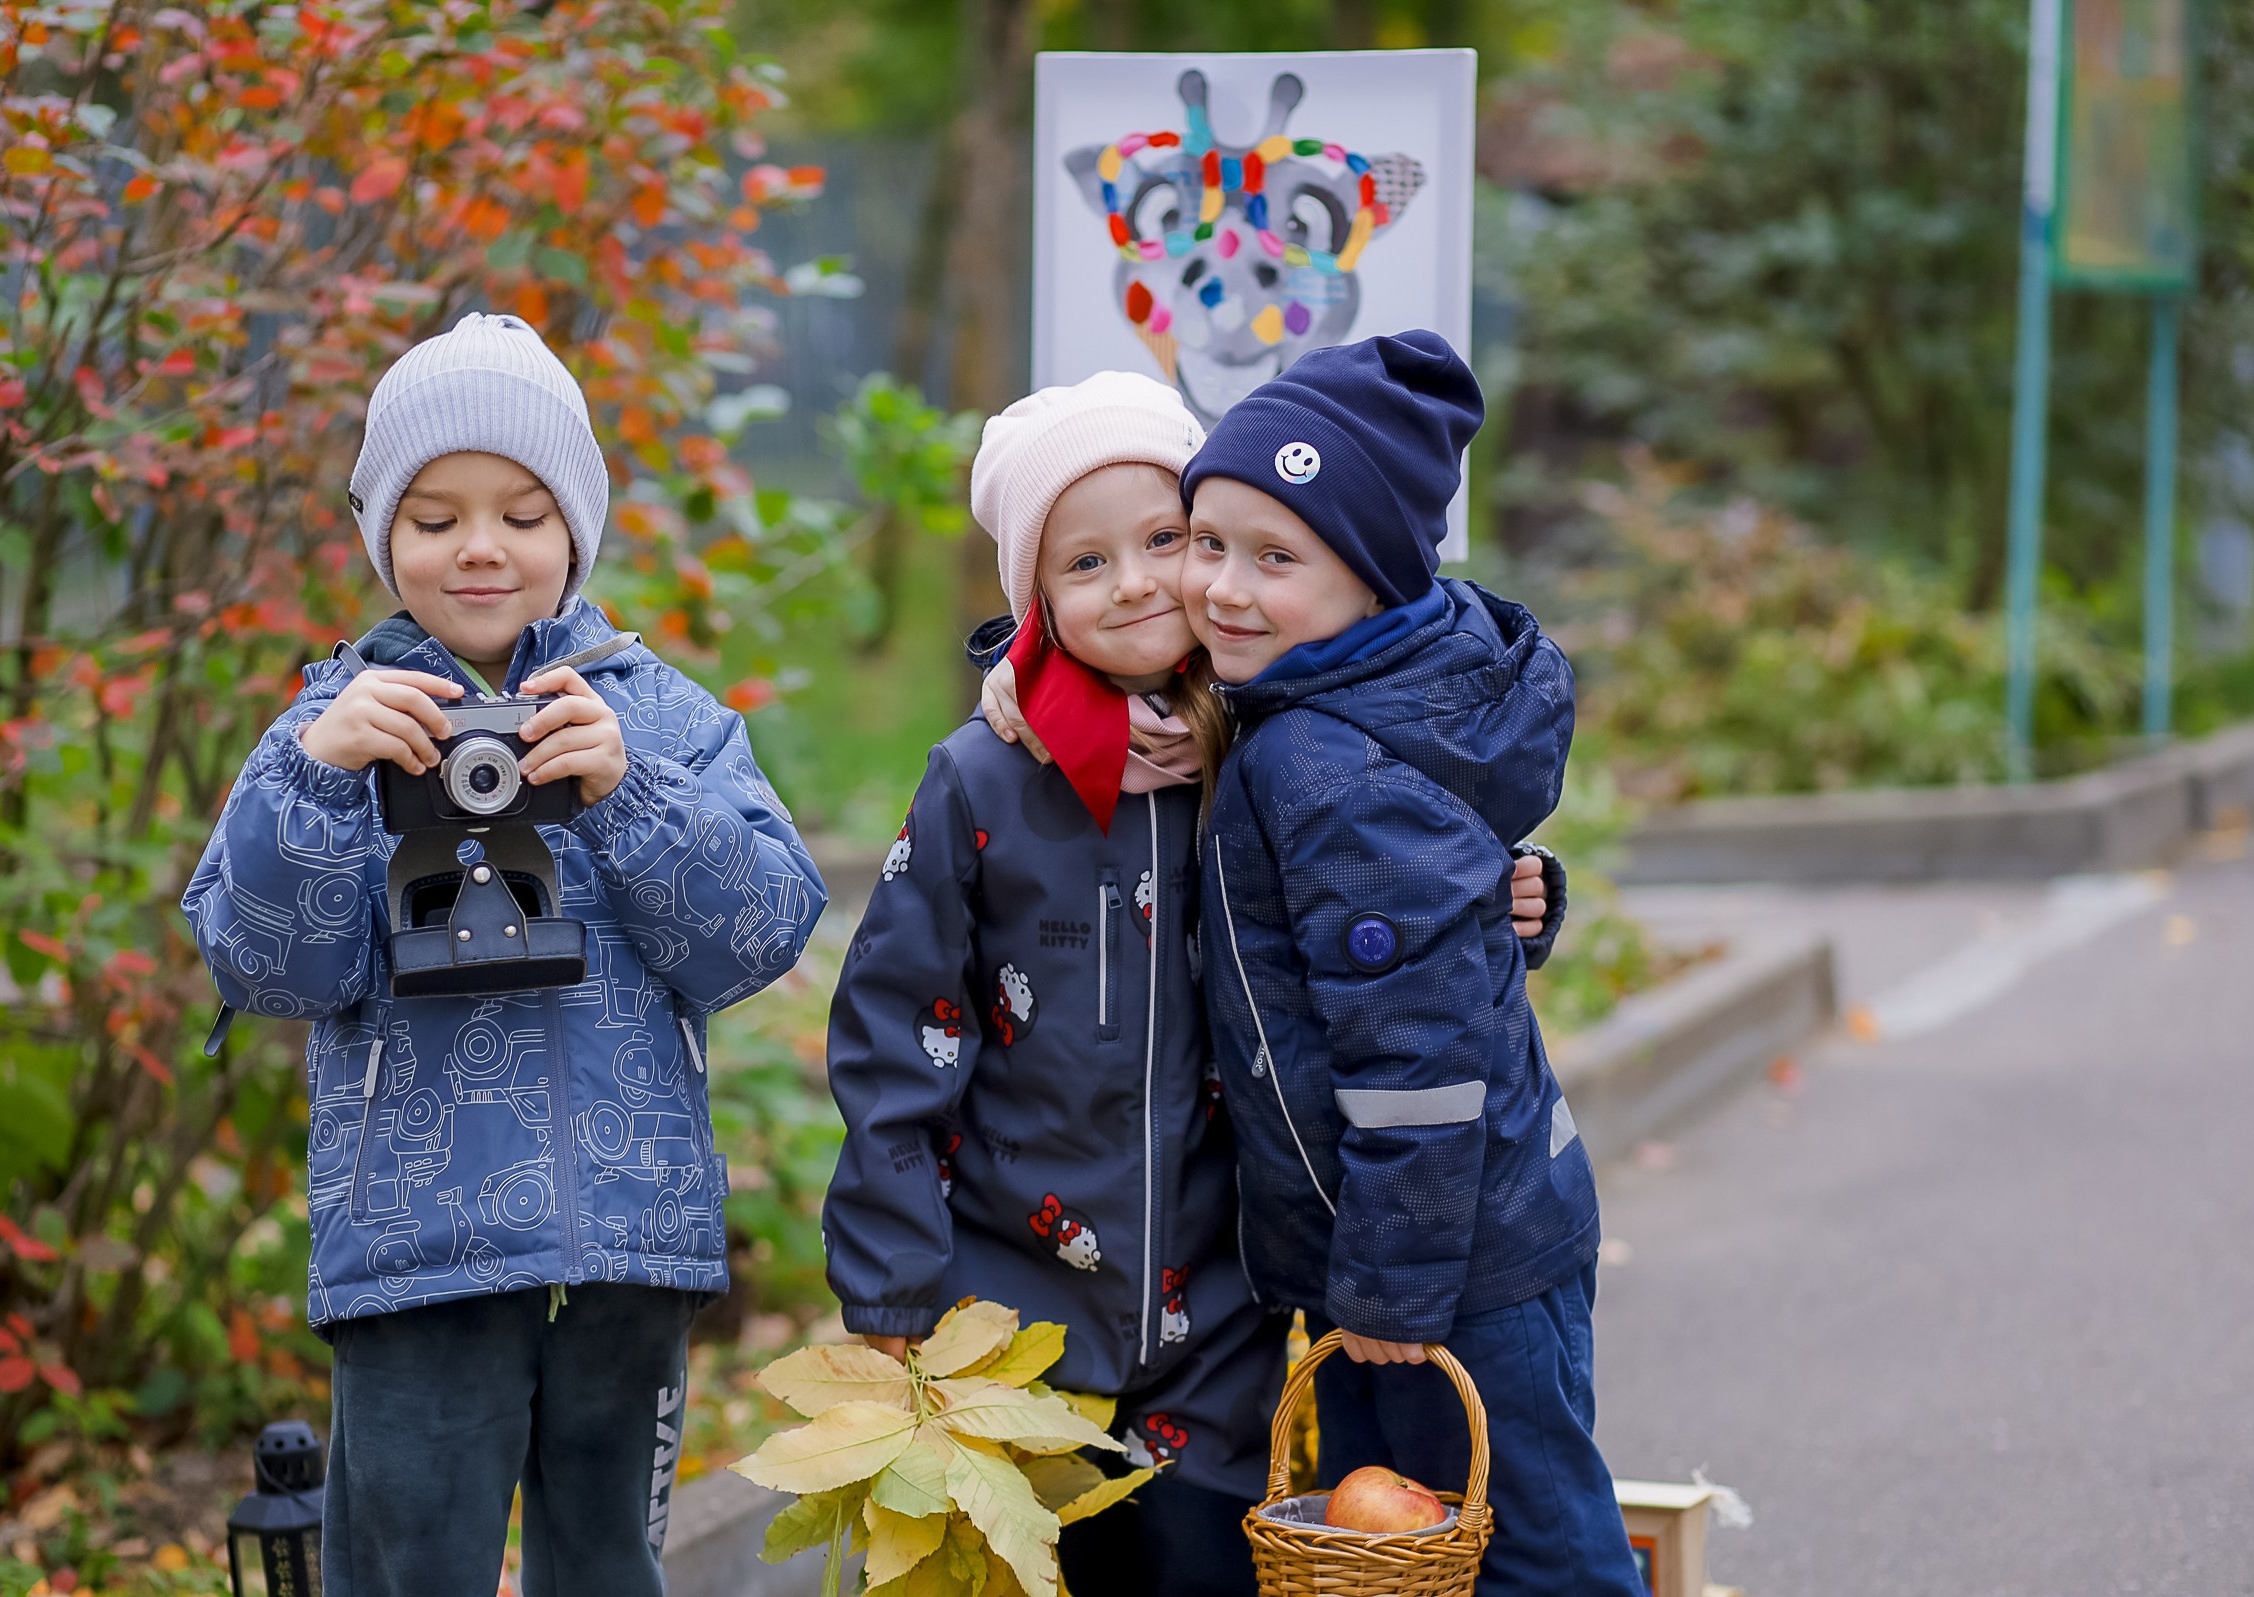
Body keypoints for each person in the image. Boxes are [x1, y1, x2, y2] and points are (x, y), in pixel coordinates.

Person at [182, 312, 825, 1597]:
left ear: (576, 528)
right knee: (408, 1569)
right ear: (385, 537)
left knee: (609, 1567)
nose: (480, 546)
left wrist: (632, 794)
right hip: (417, 1252)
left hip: (627, 1246)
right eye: (434, 518)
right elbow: (264, 967)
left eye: (522, 514)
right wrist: (318, 779)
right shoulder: (335, 725)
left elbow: (759, 935)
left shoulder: (658, 719)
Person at [823, 372, 1306, 1597]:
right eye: (1085, 562)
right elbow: (898, 1030)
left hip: (1223, 1313)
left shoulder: (1278, 751)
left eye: (1163, 539)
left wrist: (1511, 894)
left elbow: (1382, 915)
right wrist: (890, 1270)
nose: (1135, 582)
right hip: (1015, 1317)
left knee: (1203, 1574)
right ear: (1035, 596)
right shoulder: (983, 780)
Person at [1179, 331, 1641, 1594]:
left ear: (1373, 577)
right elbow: (1425, 934)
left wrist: (1386, 1290)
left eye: (1277, 558)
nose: (1224, 589)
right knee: (1421, 1545)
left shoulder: (1323, 761)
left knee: (1533, 1555)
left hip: (1446, 1257)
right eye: (1208, 543)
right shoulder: (1344, 697)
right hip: (1434, 1235)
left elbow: (1419, 1053)